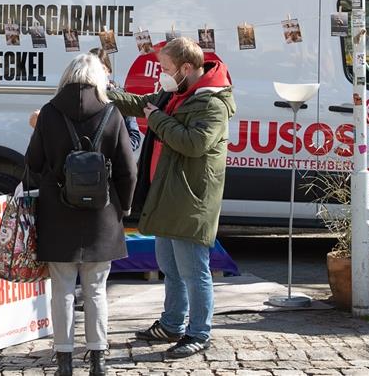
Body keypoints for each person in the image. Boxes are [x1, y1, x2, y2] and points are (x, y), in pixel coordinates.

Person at [107, 37, 235, 359]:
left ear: (186, 68)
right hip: (168, 193)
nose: (160, 75)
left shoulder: (212, 104)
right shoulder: (174, 92)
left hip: (191, 199)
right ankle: (172, 323)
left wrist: (157, 119)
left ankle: (199, 332)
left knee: (194, 271)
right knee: (169, 266)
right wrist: (101, 91)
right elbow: (140, 103)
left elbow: (193, 143)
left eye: (165, 68)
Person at [25, 54, 137, 376]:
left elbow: (33, 162)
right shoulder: (112, 113)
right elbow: (128, 171)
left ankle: (63, 361)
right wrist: (124, 208)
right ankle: (99, 360)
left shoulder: (48, 114)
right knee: (97, 290)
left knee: (60, 289)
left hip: (57, 214)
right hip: (102, 216)